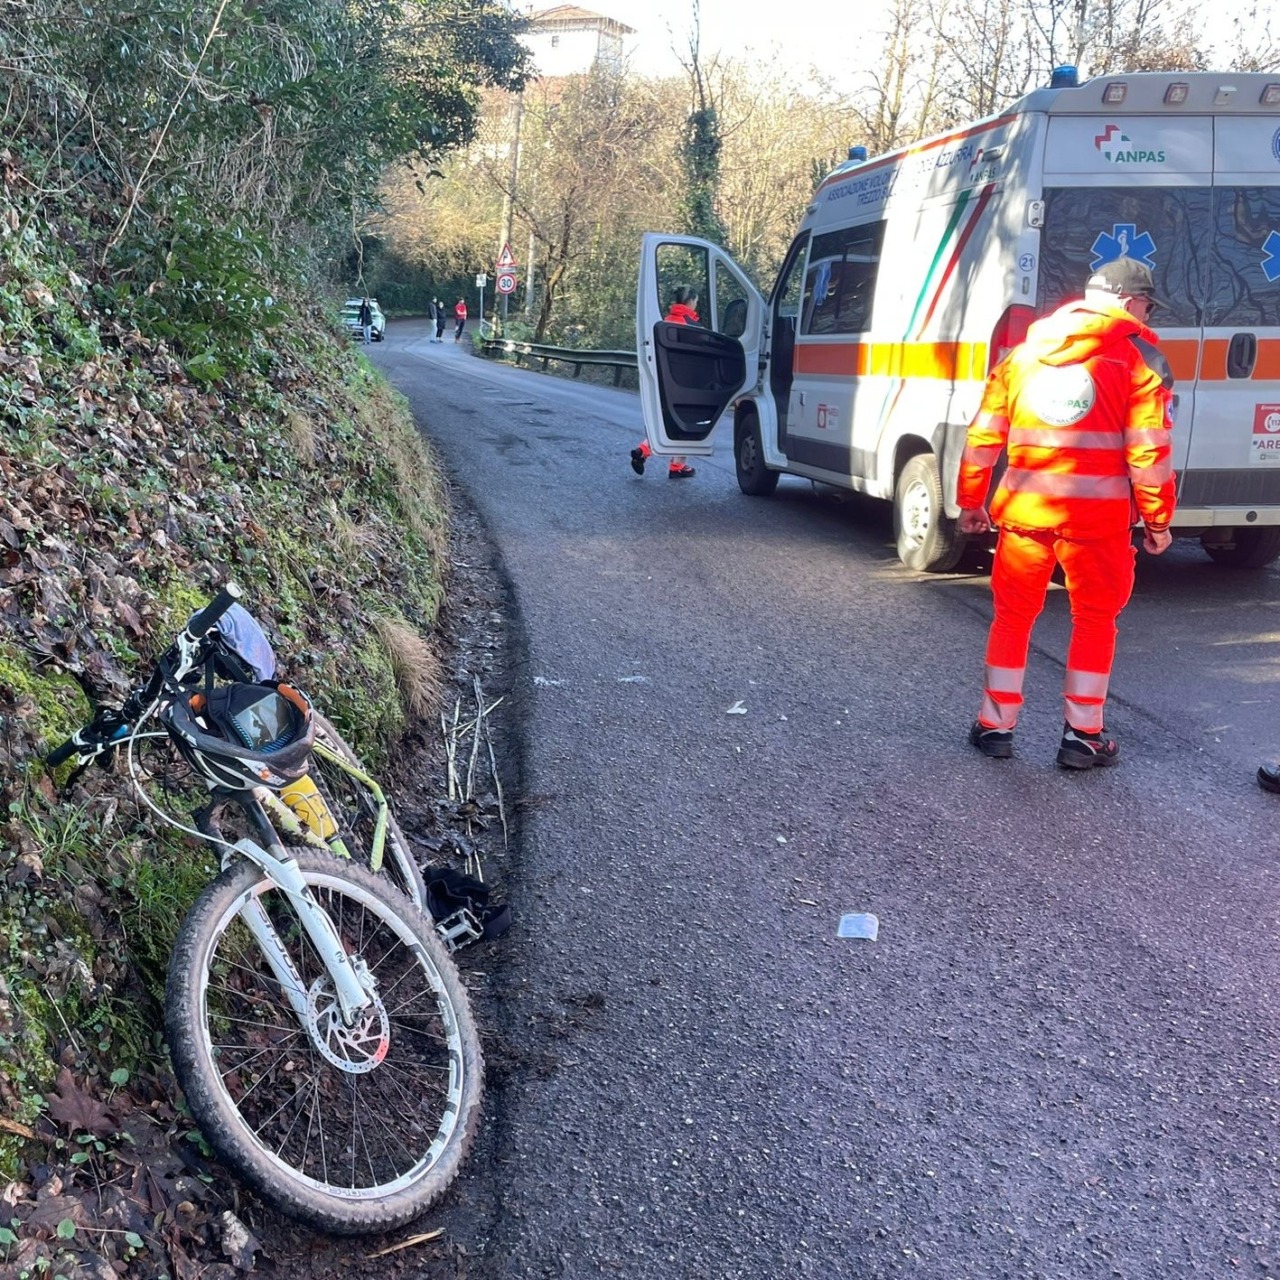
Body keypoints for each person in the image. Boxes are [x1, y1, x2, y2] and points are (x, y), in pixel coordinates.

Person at [958, 258, 1176, 770]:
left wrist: (972, 501)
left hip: (1026, 513)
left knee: (1013, 619)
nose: (1147, 312)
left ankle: (995, 726)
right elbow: (1148, 453)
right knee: (1095, 622)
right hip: (1097, 524)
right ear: (1126, 302)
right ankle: (1082, 736)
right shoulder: (1135, 363)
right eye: (1145, 303)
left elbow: (983, 434)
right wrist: (1158, 520)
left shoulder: (1024, 355)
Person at [630, 286, 699, 479]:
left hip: (661, 383)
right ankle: (677, 466)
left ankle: (642, 451)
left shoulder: (663, 323)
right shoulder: (692, 327)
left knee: (662, 423)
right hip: (684, 385)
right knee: (686, 425)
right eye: (696, 301)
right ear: (691, 301)